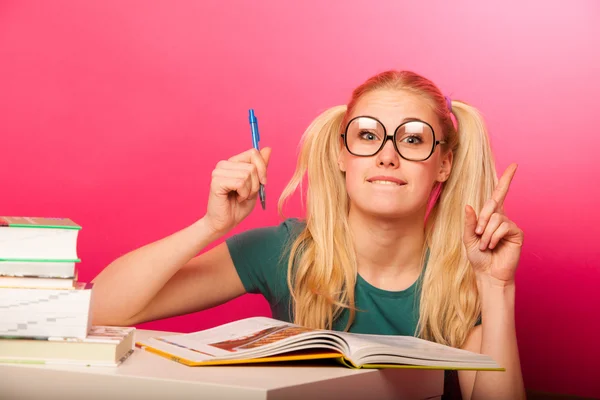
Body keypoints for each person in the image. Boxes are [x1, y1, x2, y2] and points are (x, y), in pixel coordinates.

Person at [91, 70, 525, 400]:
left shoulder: (464, 273)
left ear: (443, 165)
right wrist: (212, 225)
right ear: (342, 154)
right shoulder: (284, 250)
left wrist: (496, 285)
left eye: (412, 140)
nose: (387, 156)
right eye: (368, 135)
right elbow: (101, 308)